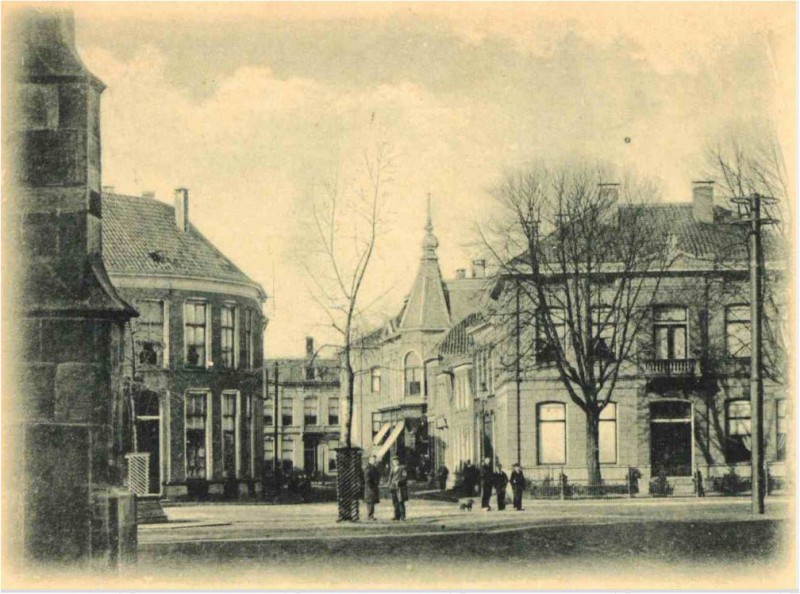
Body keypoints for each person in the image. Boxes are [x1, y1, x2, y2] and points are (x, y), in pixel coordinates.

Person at [387, 455, 408, 520]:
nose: (395, 462)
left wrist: (399, 481)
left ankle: (402, 516)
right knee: (395, 502)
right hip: (393, 487)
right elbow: (390, 477)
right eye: (394, 461)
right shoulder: (392, 468)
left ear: (398, 461)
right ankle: (396, 516)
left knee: (400, 501)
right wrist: (389, 483)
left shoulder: (402, 468)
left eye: (396, 461)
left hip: (400, 488)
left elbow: (405, 477)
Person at [364, 455, 382, 520]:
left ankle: (371, 515)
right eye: (373, 460)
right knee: (370, 502)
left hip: (373, 487)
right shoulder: (368, 468)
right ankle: (370, 516)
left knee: (372, 502)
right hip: (370, 488)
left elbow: (377, 476)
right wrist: (371, 486)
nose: (374, 461)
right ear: (370, 460)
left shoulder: (374, 468)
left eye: (375, 460)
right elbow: (367, 479)